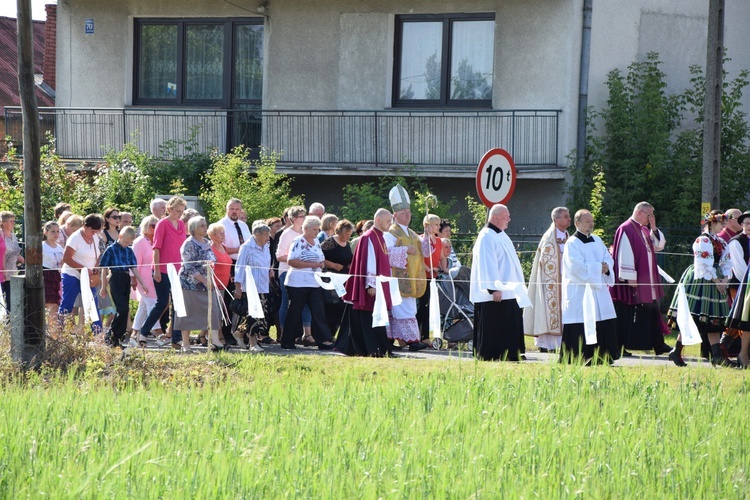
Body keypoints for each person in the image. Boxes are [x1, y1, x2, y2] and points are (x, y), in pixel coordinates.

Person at [667, 211, 733, 367]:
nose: (723, 225)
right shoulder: (702, 240)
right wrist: (717, 280)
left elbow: (727, 262)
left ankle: (716, 355)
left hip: (716, 280)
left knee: (713, 319)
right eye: (721, 222)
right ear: (711, 223)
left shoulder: (721, 242)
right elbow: (703, 263)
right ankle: (676, 351)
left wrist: (725, 279)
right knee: (694, 317)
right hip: (701, 280)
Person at [610, 202, 672, 356]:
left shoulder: (644, 229)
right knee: (625, 313)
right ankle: (620, 346)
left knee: (651, 311)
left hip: (646, 280)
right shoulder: (626, 228)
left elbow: (658, 245)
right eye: (648, 215)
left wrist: (654, 227)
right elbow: (624, 253)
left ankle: (658, 344)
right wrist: (630, 277)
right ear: (639, 212)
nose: (650, 218)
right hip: (632, 281)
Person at [560, 210, 619, 364]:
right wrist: (598, 267)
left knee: (601, 319)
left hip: (598, 290)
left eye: (592, 221)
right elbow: (575, 267)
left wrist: (606, 266)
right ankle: (580, 356)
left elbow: (608, 257)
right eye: (587, 222)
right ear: (577, 223)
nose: (591, 224)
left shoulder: (597, 240)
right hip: (580, 291)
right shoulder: (572, 243)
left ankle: (603, 356)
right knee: (582, 320)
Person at [470, 204, 525, 361]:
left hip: (509, 290)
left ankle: (509, 352)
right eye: (505, 216)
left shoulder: (500, 234)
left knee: (509, 322)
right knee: (494, 324)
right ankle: (492, 354)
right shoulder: (486, 236)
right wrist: (493, 289)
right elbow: (488, 263)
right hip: (495, 293)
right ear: (495, 218)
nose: (509, 219)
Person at [341, 208, 394, 357]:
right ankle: (372, 349)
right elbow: (369, 261)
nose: (390, 224)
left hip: (379, 284)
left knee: (376, 315)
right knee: (368, 316)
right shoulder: (369, 236)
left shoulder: (380, 236)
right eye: (388, 221)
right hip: (371, 286)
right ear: (378, 220)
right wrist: (370, 284)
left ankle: (379, 348)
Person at [383, 185, 430, 351]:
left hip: (412, 276)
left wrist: (427, 235)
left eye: (409, 212)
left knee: (406, 308)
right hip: (398, 278)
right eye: (404, 213)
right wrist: (404, 250)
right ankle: (410, 340)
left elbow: (426, 252)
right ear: (395, 215)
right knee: (402, 309)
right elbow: (385, 253)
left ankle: (402, 339)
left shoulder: (411, 233)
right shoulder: (390, 233)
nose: (408, 215)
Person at [280, 216, 335, 350]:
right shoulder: (298, 241)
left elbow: (320, 257)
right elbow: (291, 261)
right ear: (306, 229)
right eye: (314, 229)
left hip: (314, 283)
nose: (317, 232)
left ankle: (323, 340)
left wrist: (321, 264)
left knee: (318, 311)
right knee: (295, 311)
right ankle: (287, 340)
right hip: (297, 284)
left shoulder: (316, 241)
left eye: (318, 229)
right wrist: (312, 264)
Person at [139, 196, 187, 349]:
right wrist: (157, 269)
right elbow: (157, 247)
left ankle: (176, 338)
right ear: (169, 209)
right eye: (177, 211)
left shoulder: (180, 224)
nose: (180, 214)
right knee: (162, 302)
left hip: (177, 270)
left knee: (178, 303)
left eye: (182, 211)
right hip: (163, 269)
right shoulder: (162, 224)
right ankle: (143, 332)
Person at [174, 216, 223, 353]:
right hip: (189, 284)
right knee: (188, 313)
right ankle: (185, 344)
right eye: (202, 225)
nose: (205, 227)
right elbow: (188, 266)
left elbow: (212, 259)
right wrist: (204, 280)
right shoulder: (188, 244)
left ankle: (215, 341)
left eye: (205, 224)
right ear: (194, 228)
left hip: (207, 284)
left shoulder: (207, 242)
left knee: (213, 310)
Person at [524, 207, 570, 353]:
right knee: (547, 309)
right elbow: (545, 262)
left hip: (563, 282)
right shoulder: (549, 237)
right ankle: (546, 344)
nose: (569, 219)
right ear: (557, 220)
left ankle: (560, 342)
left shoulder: (567, 235)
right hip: (550, 283)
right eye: (566, 216)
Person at [99, 226, 149, 350]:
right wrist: (103, 287)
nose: (127, 244)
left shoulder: (129, 250)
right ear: (120, 237)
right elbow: (104, 268)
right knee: (122, 308)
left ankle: (116, 338)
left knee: (125, 310)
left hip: (125, 278)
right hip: (115, 278)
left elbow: (133, 268)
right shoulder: (111, 249)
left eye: (129, 243)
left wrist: (142, 283)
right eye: (126, 242)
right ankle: (111, 334)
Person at [58, 214, 103, 332]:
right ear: (84, 226)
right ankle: (58, 333)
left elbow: (98, 256)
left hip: (88, 276)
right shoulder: (75, 238)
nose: (94, 233)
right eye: (92, 231)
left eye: (96, 231)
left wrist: (95, 269)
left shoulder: (96, 237)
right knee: (67, 304)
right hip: (71, 275)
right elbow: (66, 259)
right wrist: (83, 269)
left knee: (93, 305)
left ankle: (99, 336)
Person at [233, 220, 272, 352]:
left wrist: (269, 270)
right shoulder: (247, 247)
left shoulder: (266, 246)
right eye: (266, 234)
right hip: (250, 286)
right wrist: (238, 287)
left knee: (261, 314)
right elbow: (239, 267)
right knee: (253, 314)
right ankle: (252, 342)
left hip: (263, 285)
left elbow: (266, 261)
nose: (268, 237)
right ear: (257, 235)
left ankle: (239, 332)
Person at [276, 205, 312, 342]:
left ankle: (307, 334)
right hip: (287, 272)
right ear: (294, 218)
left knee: (306, 302)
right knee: (286, 302)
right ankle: (285, 333)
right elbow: (279, 256)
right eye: (302, 216)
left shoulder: (305, 233)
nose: (305, 219)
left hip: (304, 272)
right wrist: (297, 260)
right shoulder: (287, 234)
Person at [718, 210, 750, 357]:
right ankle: (722, 347)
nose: (749, 226)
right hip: (741, 285)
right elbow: (739, 268)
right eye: (747, 223)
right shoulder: (737, 241)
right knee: (739, 317)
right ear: (742, 224)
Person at [131, 215, 162, 346]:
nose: (156, 228)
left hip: (153, 277)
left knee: (144, 306)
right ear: (147, 227)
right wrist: (133, 278)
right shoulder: (139, 242)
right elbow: (134, 263)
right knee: (152, 304)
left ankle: (134, 334)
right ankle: (158, 333)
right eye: (154, 226)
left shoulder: (154, 241)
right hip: (142, 278)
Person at [321, 219, 354, 335]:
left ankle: (335, 333)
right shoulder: (329, 242)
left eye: (349, 234)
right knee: (332, 307)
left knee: (342, 307)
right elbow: (319, 257)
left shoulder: (348, 244)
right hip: (331, 280)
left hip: (344, 280)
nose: (347, 237)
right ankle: (328, 334)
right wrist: (332, 265)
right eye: (346, 234)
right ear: (339, 231)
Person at [416, 213, 446, 341]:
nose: (438, 227)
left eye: (439, 225)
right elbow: (419, 259)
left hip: (434, 277)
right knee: (422, 306)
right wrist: (428, 269)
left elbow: (442, 257)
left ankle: (426, 335)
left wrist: (444, 268)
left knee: (430, 306)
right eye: (436, 225)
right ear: (427, 226)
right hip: (424, 277)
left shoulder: (439, 241)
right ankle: (419, 335)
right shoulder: (420, 240)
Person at [207, 222, 233, 346]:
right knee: (216, 312)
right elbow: (210, 266)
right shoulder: (210, 249)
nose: (223, 235)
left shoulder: (224, 247)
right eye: (220, 233)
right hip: (214, 286)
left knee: (221, 311)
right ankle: (217, 338)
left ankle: (204, 335)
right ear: (212, 235)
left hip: (224, 285)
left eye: (224, 233)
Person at [1, 211, 24, 311]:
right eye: (11, 221)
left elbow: (15, 251)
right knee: (6, 301)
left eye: (14, 221)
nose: (13, 223)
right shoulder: (1, 235)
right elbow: (2, 253)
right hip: (3, 273)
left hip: (13, 272)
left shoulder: (13, 236)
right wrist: (5, 272)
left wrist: (20, 258)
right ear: (3, 222)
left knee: (12, 301)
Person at [42, 221, 64, 318]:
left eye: (57, 231)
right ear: (45, 232)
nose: (56, 234)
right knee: (47, 303)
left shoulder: (59, 247)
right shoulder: (42, 246)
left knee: (55, 303)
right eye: (53, 231)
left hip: (55, 275)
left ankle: (53, 330)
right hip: (45, 275)